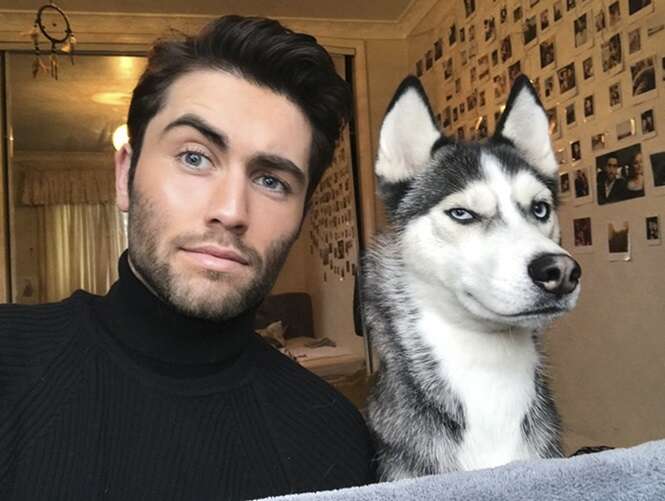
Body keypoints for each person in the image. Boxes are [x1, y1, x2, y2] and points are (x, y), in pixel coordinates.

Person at [0, 16, 375, 500]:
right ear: (125, 175)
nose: (231, 211)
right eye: (194, 157)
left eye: (272, 181)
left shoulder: (334, 440)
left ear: (301, 216)